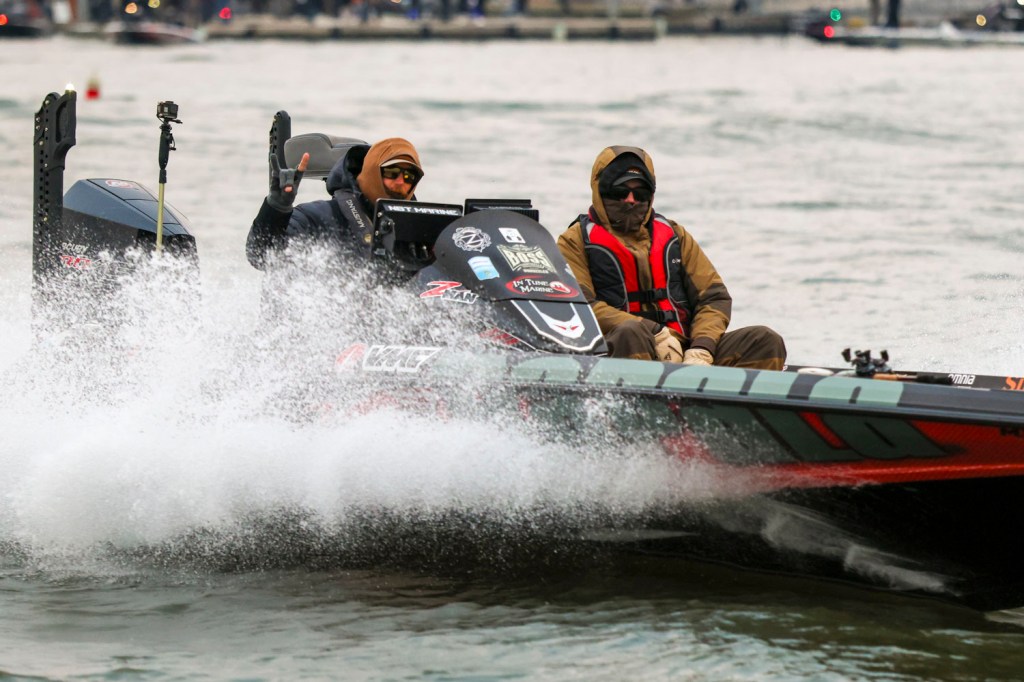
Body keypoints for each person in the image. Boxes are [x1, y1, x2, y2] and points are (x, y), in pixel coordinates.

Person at [557, 146, 786, 370]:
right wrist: (654, 332)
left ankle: (719, 391)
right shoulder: (574, 241)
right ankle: (640, 393)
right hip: (619, 348)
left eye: (640, 192)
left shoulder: (675, 235)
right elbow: (580, 306)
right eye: (620, 191)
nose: (630, 200)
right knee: (631, 332)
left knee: (765, 340)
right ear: (600, 190)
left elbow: (714, 298)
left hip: (685, 351)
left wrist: (702, 348)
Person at [246, 137, 424, 275]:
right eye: (392, 172)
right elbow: (261, 256)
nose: (400, 182)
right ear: (372, 172)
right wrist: (276, 208)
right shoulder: (316, 218)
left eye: (409, 177)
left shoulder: (418, 235)